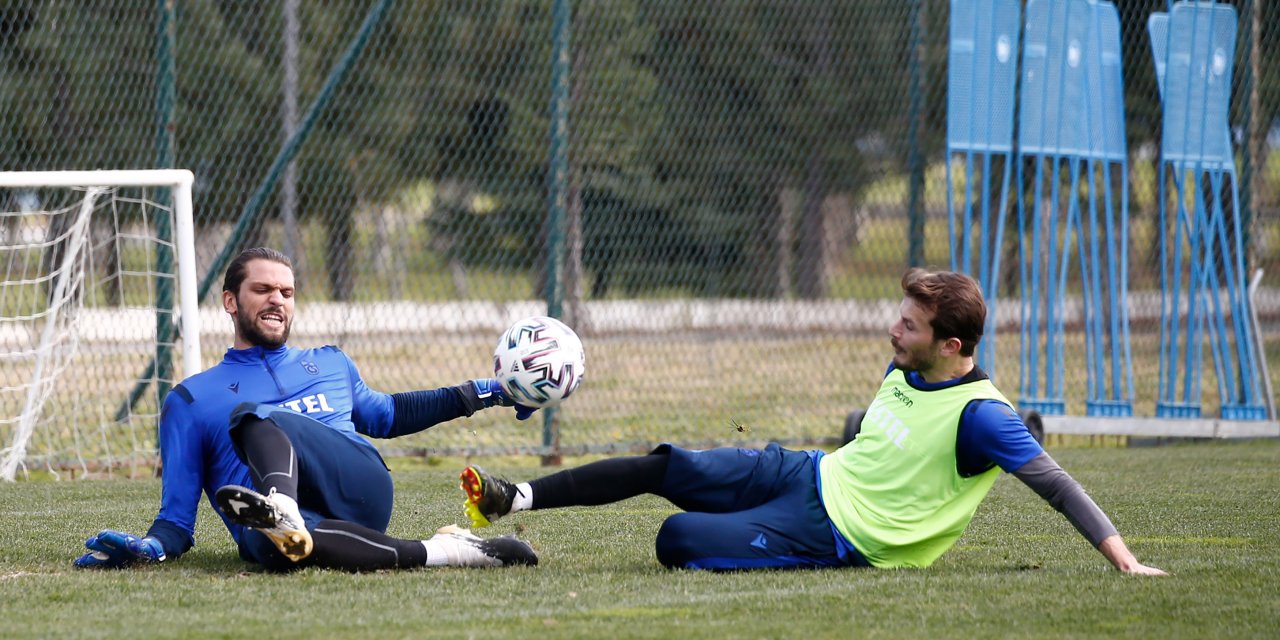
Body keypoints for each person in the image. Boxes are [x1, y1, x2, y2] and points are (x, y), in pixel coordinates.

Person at [460, 268, 1167, 575]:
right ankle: (514, 499)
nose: (893, 330)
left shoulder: (984, 419)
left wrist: (1126, 562)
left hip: (835, 532)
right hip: (809, 470)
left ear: (952, 346)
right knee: (669, 466)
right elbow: (880, 437)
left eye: (910, 325)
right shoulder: (907, 368)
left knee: (676, 540)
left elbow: (1058, 486)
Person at [75, 247, 537, 572]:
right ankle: (449, 552)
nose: (278, 299)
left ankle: (282, 507)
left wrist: (487, 391)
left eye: (287, 292)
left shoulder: (330, 362)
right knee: (271, 546)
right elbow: (176, 521)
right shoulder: (190, 400)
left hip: (359, 487)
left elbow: (388, 415)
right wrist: (150, 548)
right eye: (263, 290)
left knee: (253, 416)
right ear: (231, 302)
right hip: (293, 530)